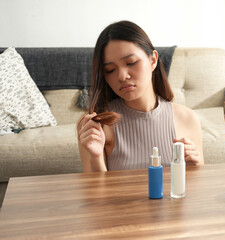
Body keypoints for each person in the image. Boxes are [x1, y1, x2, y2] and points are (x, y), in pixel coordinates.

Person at [77, 20, 203, 172]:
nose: (122, 76)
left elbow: (196, 187)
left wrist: (195, 166)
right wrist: (96, 157)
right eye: (110, 70)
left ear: (153, 60)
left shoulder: (188, 118)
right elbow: (96, 194)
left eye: (131, 62)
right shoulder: (96, 124)